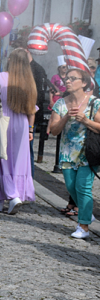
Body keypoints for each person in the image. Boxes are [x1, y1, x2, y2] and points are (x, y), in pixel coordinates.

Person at [48, 67, 99, 239]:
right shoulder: (60, 104)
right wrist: (65, 118)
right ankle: (86, 212)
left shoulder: (94, 103)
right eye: (66, 79)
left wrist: (86, 120)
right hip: (68, 153)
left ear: (84, 83)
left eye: (72, 78)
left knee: (83, 188)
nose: (67, 81)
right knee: (71, 187)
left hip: (88, 153)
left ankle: (83, 226)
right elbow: (53, 131)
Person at [0, 49, 37, 214]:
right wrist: (30, 130)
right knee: (18, 161)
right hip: (22, 123)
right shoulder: (29, 82)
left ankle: (4, 198)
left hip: (2, 121)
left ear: (10, 59)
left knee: (2, 159)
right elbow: (32, 110)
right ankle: (16, 194)